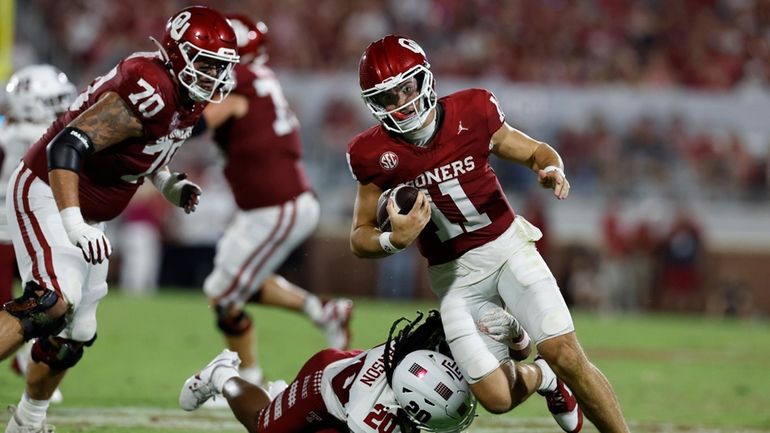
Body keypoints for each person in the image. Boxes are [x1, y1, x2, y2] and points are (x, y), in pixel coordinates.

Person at [346, 35, 630, 433]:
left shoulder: (474, 109)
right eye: (387, 97)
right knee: (496, 398)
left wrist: (552, 170)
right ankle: (546, 378)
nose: (401, 103)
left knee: (565, 351)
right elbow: (360, 236)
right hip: (455, 278)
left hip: (507, 248)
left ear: (423, 79)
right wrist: (395, 240)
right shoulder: (371, 153)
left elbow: (537, 151)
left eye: (405, 89)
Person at [0, 6, 241, 432]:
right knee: (49, 303)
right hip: (49, 189)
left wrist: (169, 185)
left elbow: (145, 151)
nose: (213, 75)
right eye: (205, 63)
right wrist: (74, 224)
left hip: (85, 208)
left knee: (74, 335)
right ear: (176, 53)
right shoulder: (149, 86)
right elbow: (65, 148)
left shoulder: (187, 99)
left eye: (220, 66)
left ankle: (27, 423)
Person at [192, 13, 353, 389]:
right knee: (232, 284)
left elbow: (203, 123)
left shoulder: (241, 80)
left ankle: (248, 379)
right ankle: (323, 311)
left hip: (277, 207)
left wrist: (161, 117)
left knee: (223, 294)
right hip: (268, 207)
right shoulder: (258, 77)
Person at [180, 310, 481, 433]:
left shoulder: (423, 350)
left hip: (351, 379)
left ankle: (281, 397)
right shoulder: (369, 414)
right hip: (324, 390)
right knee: (263, 426)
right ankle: (222, 375)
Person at [0, 64, 77, 405]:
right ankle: (29, 361)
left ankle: (26, 359)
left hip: (10, 233)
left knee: (36, 305)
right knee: (48, 303)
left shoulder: (11, 133)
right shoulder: (43, 137)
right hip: (24, 231)